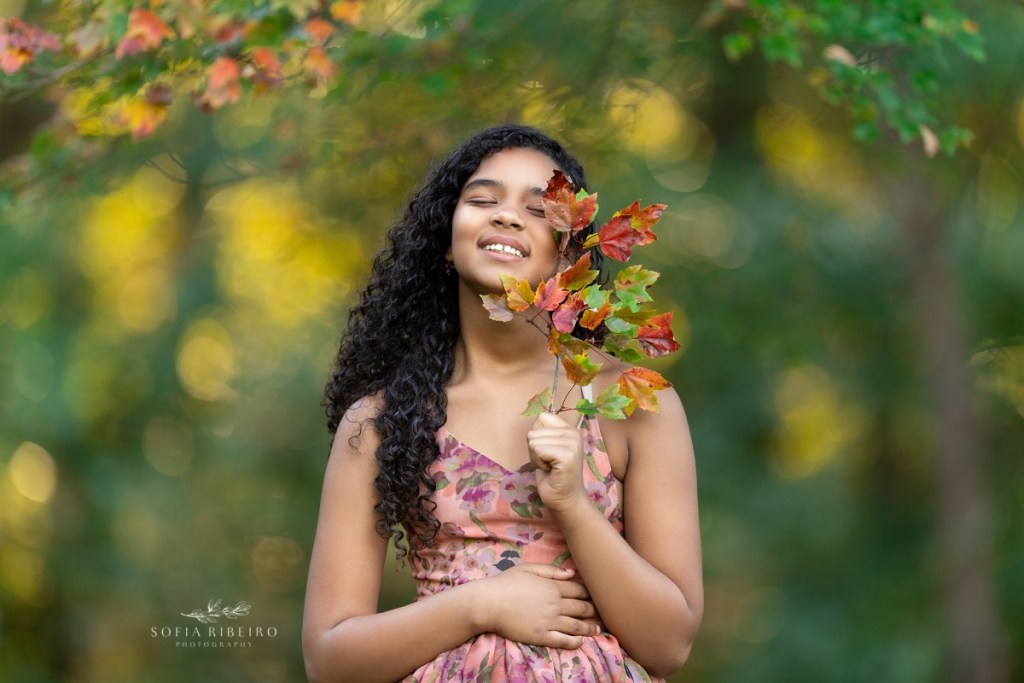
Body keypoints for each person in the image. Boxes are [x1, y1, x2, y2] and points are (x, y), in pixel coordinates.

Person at [302, 124, 702, 682]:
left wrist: (572, 505)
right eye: (482, 199)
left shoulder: (630, 404)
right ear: (446, 236)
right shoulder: (380, 421)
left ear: (569, 255)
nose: (507, 216)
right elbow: (329, 659)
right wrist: (481, 605)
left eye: (538, 210)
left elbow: (669, 645)